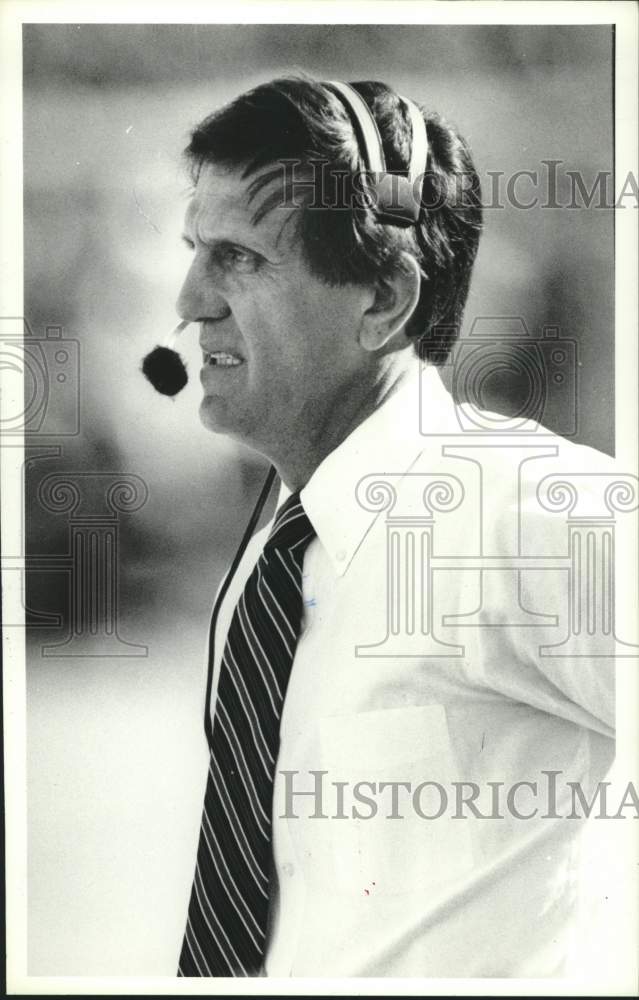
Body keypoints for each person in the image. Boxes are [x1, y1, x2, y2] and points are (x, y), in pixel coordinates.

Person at [172, 76, 623, 978]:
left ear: (381, 300)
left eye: (240, 258)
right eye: (194, 249)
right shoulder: (281, 549)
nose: (187, 300)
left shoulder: (534, 510)